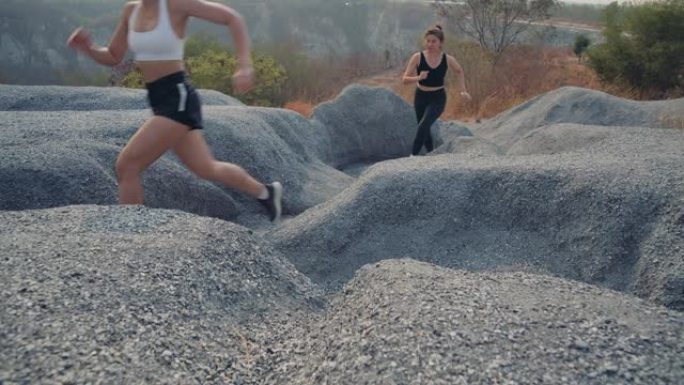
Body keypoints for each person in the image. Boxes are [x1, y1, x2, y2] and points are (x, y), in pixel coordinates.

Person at [67, 0, 283, 221]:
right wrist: (88, 48)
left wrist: (245, 65)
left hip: (177, 97)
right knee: (206, 168)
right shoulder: (131, 10)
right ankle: (266, 192)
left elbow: (233, 18)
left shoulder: (176, 4)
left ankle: (131, 232)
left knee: (127, 165)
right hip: (159, 99)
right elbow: (114, 55)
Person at [402, 25, 471, 156]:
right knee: (424, 128)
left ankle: (413, 156)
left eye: (434, 41)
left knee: (423, 125)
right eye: (428, 41)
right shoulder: (417, 57)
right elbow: (404, 79)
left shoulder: (447, 59)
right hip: (420, 96)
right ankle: (431, 153)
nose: (430, 44)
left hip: (438, 98)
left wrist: (463, 90)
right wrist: (418, 77)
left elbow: (459, 71)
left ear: (440, 42)